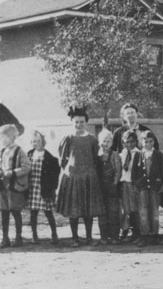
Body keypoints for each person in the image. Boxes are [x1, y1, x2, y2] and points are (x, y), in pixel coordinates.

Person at [56, 106, 105, 247]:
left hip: (89, 177)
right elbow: (63, 159)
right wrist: (69, 172)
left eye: (82, 122)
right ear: (72, 122)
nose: (79, 125)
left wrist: (91, 172)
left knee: (88, 210)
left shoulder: (91, 139)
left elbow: (96, 158)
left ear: (86, 123)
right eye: (76, 122)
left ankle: (89, 237)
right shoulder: (68, 138)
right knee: (74, 210)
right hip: (73, 178)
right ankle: (75, 238)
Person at [0, 124, 31, 248]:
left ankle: (18, 238)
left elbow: (27, 167)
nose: (2, 140)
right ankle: (5, 239)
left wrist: (13, 172)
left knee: (15, 212)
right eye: (1, 138)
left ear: (12, 137)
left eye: (4, 137)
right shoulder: (2, 151)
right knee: (4, 213)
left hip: (15, 186)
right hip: (3, 186)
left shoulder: (19, 151)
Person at [132, 130, 163, 247]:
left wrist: (161, 185)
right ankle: (144, 235)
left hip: (155, 187)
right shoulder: (138, 155)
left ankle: (155, 235)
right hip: (142, 188)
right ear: (141, 142)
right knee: (143, 211)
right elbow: (134, 172)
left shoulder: (158, 154)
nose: (148, 144)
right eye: (145, 142)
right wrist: (136, 184)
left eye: (150, 141)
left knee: (155, 212)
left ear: (154, 142)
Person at [26, 130, 60, 245]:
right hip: (32, 187)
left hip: (44, 188)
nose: (36, 143)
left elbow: (55, 175)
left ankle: (54, 234)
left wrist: (52, 189)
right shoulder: (29, 154)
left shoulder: (49, 157)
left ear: (43, 142)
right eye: (34, 141)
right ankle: (34, 235)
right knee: (33, 213)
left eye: (38, 141)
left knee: (48, 212)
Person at [98, 128, 123, 245]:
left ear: (112, 142)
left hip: (112, 187)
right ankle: (104, 236)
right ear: (100, 142)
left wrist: (115, 183)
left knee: (113, 212)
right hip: (100, 188)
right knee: (102, 213)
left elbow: (118, 171)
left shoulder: (115, 155)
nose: (106, 143)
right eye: (104, 141)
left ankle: (115, 236)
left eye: (108, 141)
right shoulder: (97, 155)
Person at [118, 130, 142, 243]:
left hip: (133, 184)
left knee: (134, 209)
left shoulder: (138, 153)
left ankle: (136, 232)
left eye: (132, 142)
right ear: (123, 142)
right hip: (124, 184)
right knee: (126, 209)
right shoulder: (122, 153)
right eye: (126, 142)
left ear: (136, 142)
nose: (129, 144)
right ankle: (125, 230)